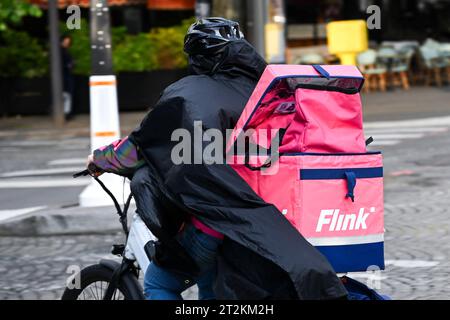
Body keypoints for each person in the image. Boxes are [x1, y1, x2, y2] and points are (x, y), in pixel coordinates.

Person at [87, 17, 347, 300]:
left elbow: (141, 145)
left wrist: (99, 159)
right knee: (211, 286)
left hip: (210, 218)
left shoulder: (187, 95)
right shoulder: (265, 92)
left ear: (198, 57)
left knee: (160, 284)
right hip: (257, 220)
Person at [61, 35, 74, 120]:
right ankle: (66, 112)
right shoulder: (61, 52)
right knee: (66, 95)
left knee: (66, 95)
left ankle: (66, 113)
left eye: (68, 42)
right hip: (64, 76)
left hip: (66, 76)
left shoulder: (65, 51)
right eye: (65, 42)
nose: (66, 44)